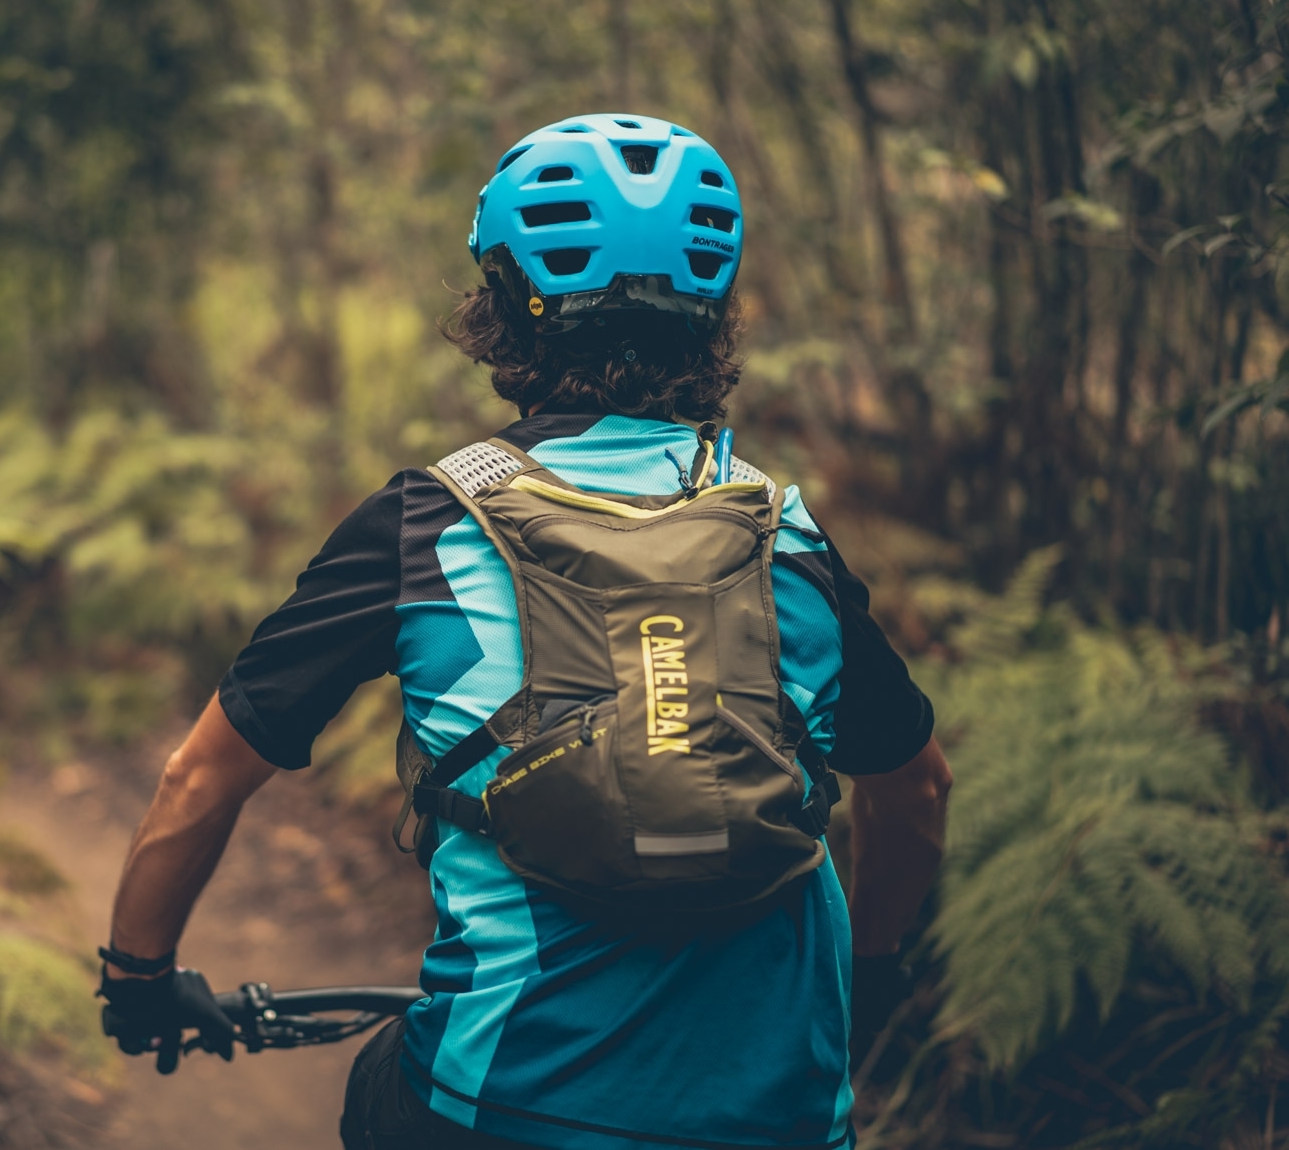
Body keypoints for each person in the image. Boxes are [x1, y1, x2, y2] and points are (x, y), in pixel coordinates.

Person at [97, 113, 952, 1150]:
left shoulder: (426, 523)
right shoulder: (788, 534)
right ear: (716, 312)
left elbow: (203, 776)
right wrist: (873, 970)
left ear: (503, 307)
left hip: (501, 1104)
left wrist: (139, 980)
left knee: (385, 1085)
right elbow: (914, 785)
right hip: (778, 1113)